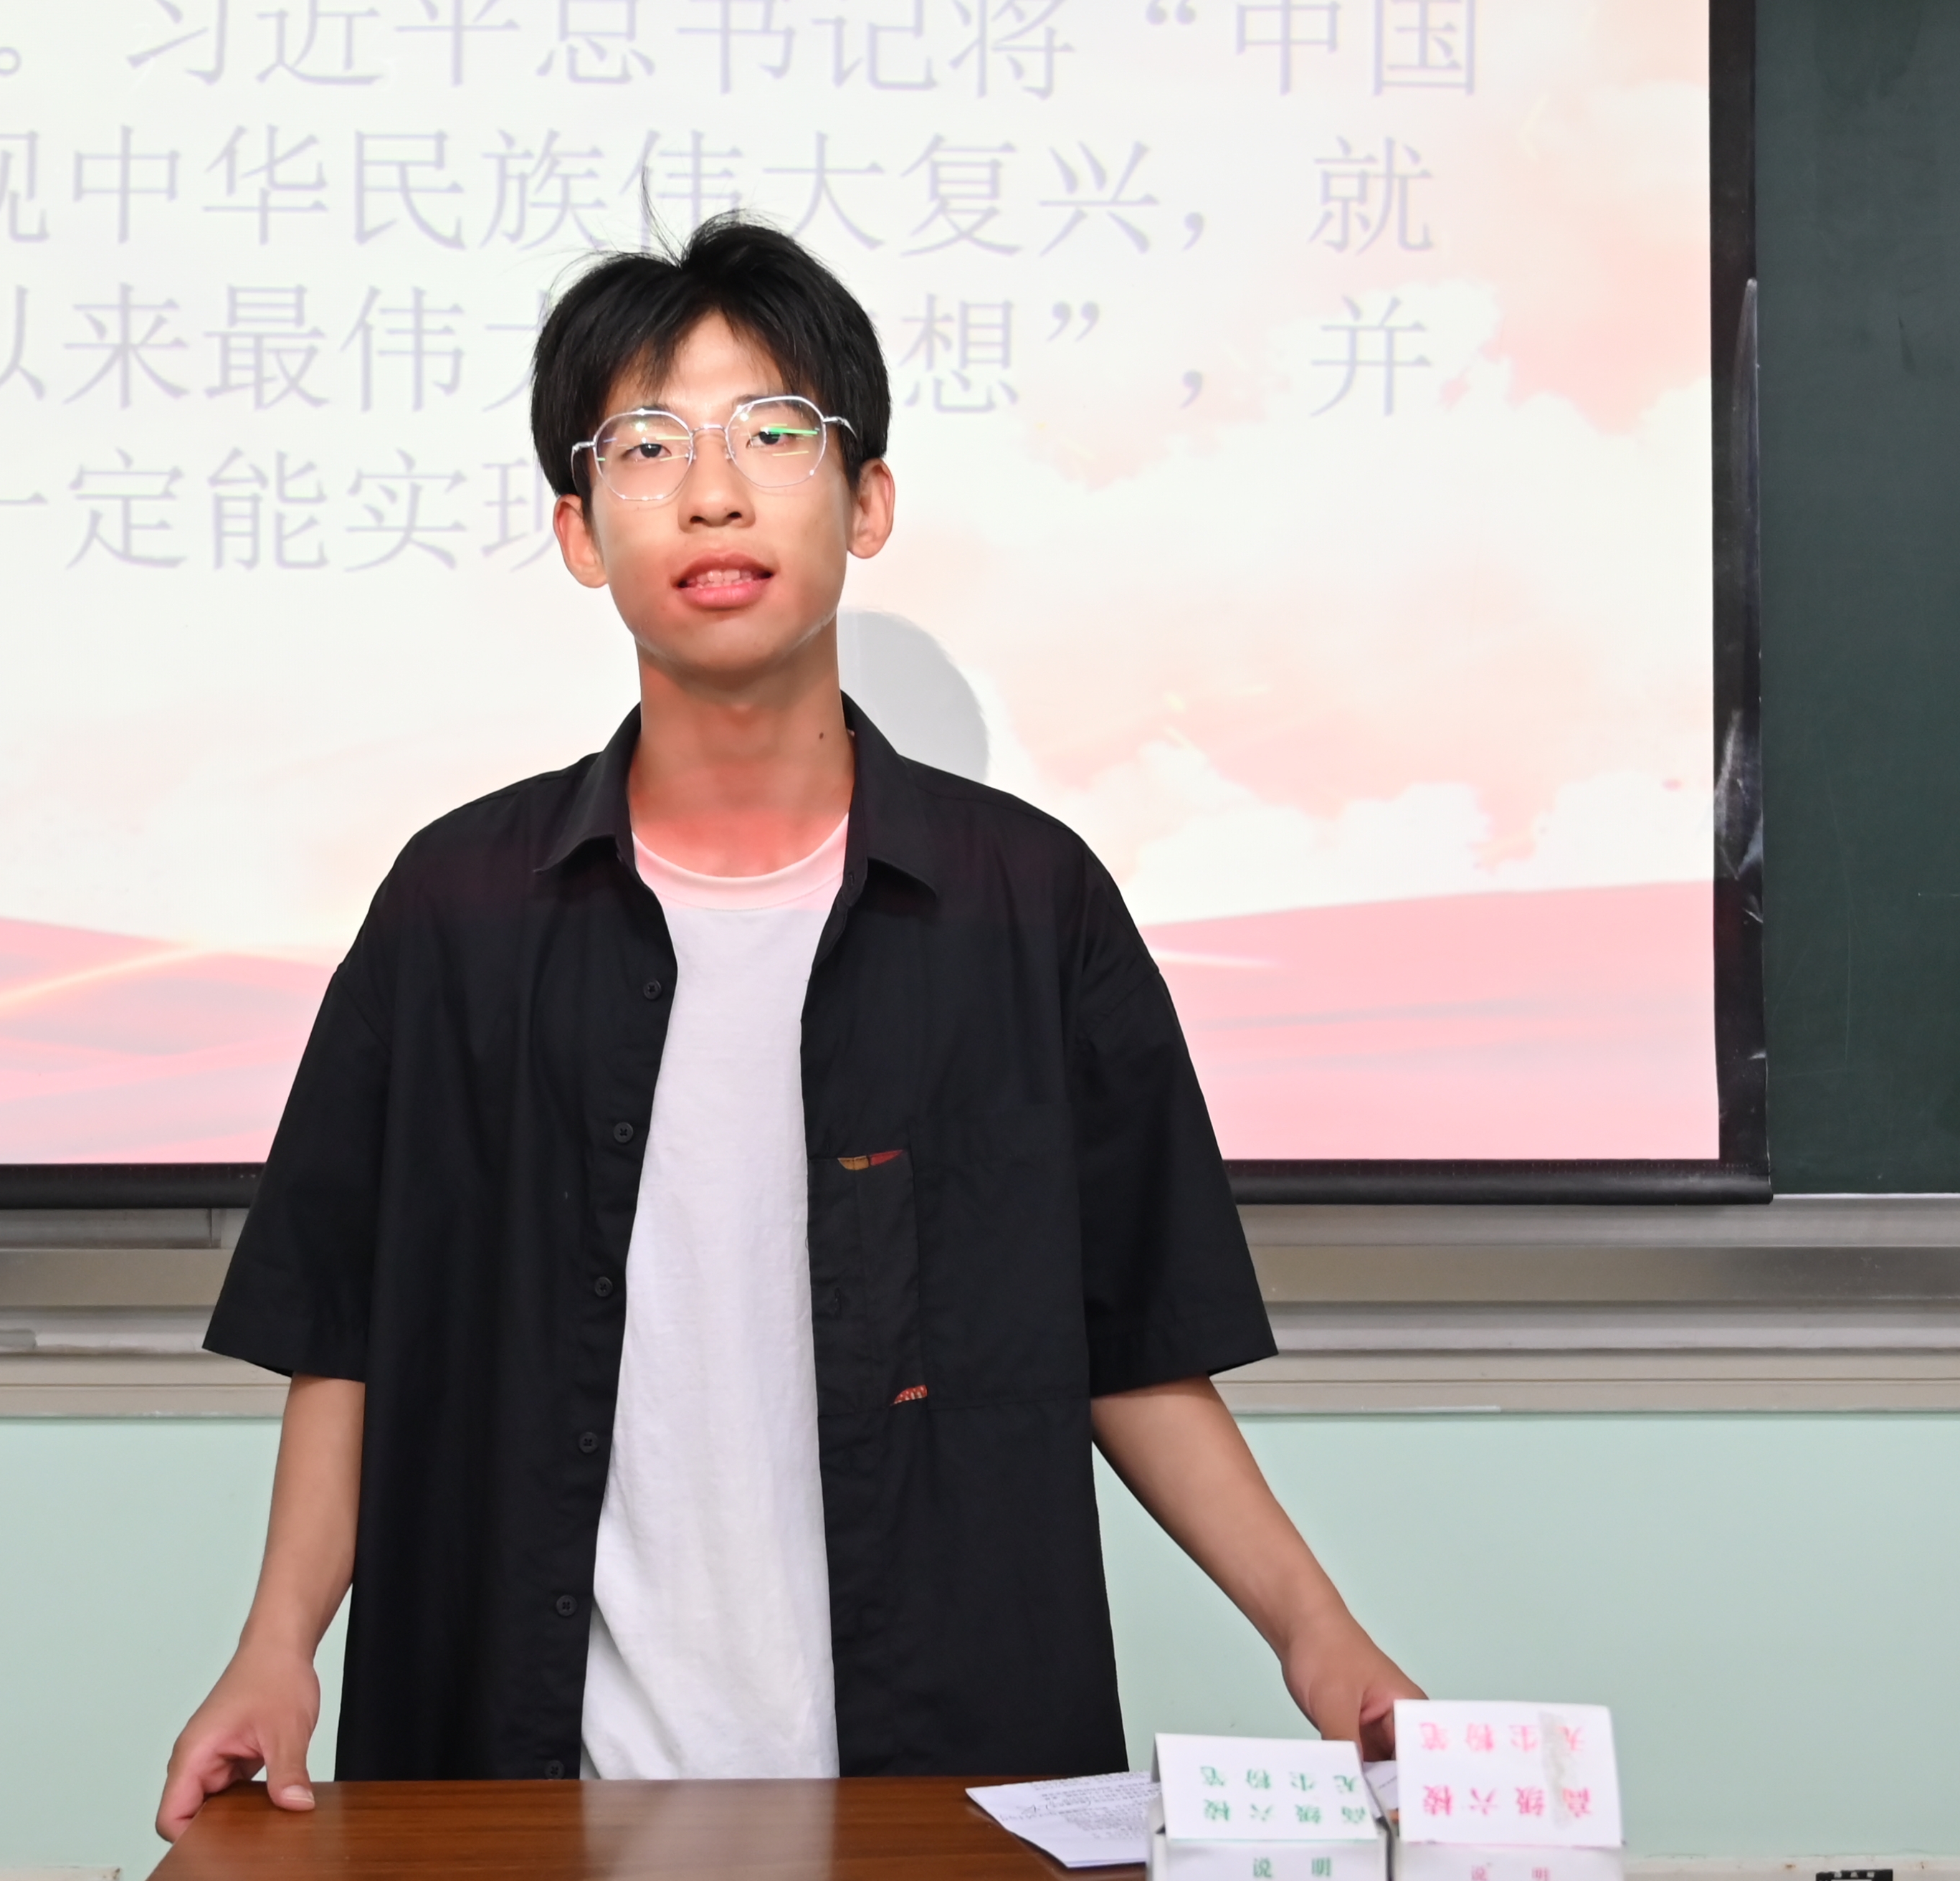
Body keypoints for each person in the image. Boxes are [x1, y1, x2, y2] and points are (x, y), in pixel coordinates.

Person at [156, 214, 1419, 1839]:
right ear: (578, 529)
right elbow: (350, 1327)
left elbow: (1135, 1349)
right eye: (647, 446)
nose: (713, 492)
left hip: (941, 1785)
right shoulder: (457, 907)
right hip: (531, 1786)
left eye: (772, 433)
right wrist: (275, 1649)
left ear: (867, 499)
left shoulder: (1027, 904)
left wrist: (1316, 1634)